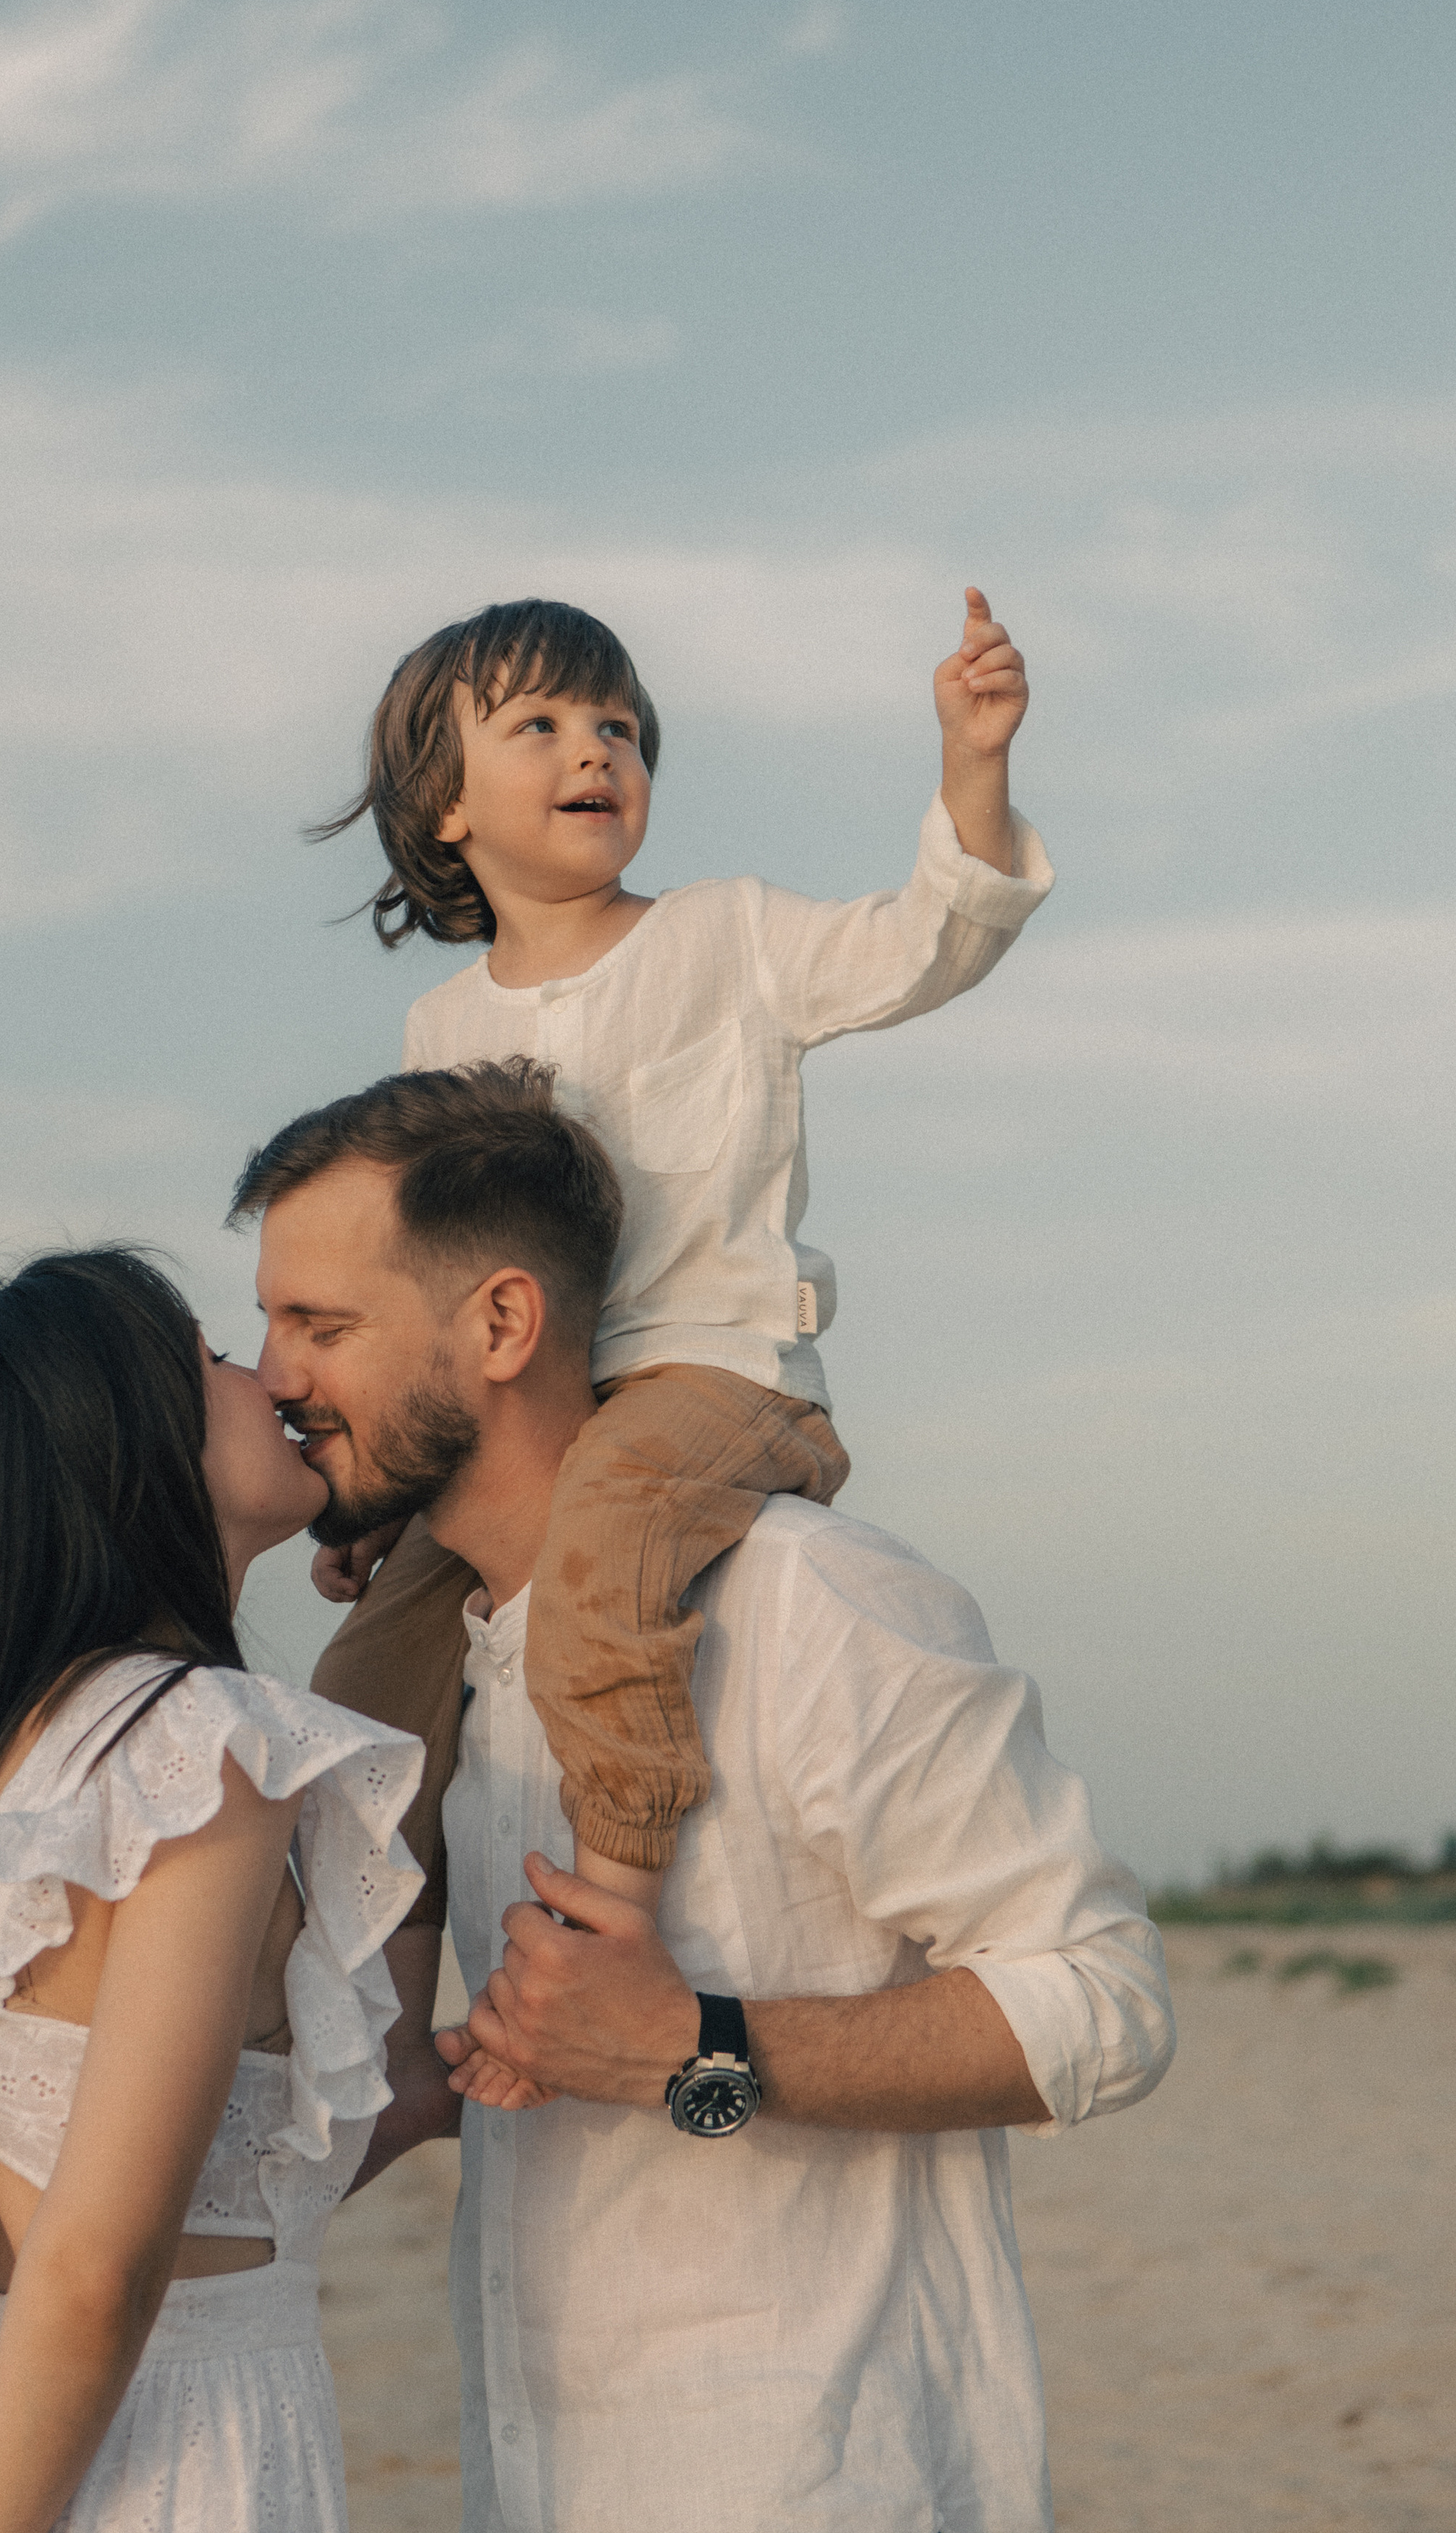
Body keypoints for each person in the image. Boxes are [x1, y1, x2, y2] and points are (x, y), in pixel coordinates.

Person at [235, 1064, 1176, 2533]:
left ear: (498, 1326)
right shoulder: (440, 1684)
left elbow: (1107, 2004)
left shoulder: (807, 1604)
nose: (276, 1375)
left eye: (318, 1327)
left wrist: (695, 2049)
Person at [306, 590, 1052, 1964]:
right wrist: (390, 1481)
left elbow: (926, 946)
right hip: (529, 1412)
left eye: (621, 727)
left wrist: (974, 766)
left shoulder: (729, 934)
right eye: (539, 723)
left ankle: (614, 1918)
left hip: (714, 1375)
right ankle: (384, 2020)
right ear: (444, 803)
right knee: (365, 1678)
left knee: (607, 1544)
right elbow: (433, 1287)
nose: (596, 750)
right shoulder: (441, 1027)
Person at [0, 1247, 423, 2533]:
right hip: (162, 2495)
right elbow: (92, 2270)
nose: (274, 1380)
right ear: (125, 1448)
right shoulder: (202, 1752)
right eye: (216, 1362)